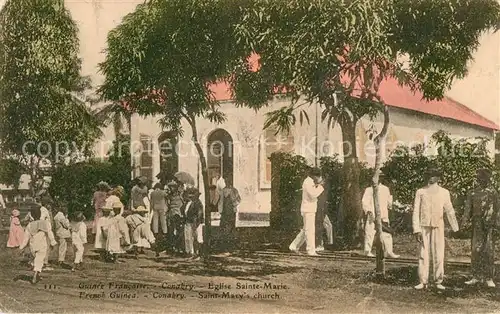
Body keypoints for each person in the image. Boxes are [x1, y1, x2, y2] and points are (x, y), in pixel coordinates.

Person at [413, 167, 459, 290]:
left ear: (438, 178)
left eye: (434, 175)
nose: (431, 178)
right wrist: (416, 229)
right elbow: (416, 211)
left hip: (438, 226)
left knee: (439, 253)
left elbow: (449, 210)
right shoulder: (420, 192)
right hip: (424, 226)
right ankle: (423, 281)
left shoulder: (444, 192)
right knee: (423, 253)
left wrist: (455, 228)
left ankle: (438, 281)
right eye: (429, 175)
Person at [461, 168, 500, 288]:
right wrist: (464, 222)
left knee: (488, 250)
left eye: (484, 179)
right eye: (480, 179)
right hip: (477, 224)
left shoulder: (493, 193)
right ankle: (475, 276)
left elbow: (498, 210)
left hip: (490, 224)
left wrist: (497, 224)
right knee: (476, 250)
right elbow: (468, 209)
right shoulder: (473, 193)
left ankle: (488, 277)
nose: (482, 181)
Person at [362, 172, 400, 258]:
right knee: (370, 232)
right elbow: (365, 202)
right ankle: (367, 251)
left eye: (380, 177)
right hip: (372, 214)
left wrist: (391, 204)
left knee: (387, 233)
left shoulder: (385, 189)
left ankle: (389, 252)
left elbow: (389, 202)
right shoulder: (369, 189)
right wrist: (368, 211)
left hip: (383, 214)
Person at [289, 167, 324, 256]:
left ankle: (293, 246)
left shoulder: (310, 182)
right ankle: (310, 250)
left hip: (310, 209)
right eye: (318, 176)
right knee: (310, 230)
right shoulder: (308, 182)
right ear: (314, 175)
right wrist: (320, 186)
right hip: (308, 209)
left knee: (306, 230)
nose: (318, 178)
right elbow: (313, 195)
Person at [19, 206, 57, 284]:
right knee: (40, 259)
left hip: (33, 245)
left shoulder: (30, 225)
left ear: (32, 215)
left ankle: (37, 273)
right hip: (42, 244)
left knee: (37, 259)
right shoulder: (44, 223)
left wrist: (21, 247)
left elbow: (26, 237)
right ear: (40, 214)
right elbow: (50, 233)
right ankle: (35, 275)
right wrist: (53, 242)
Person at [219, 178, 241, 255]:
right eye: (226, 181)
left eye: (228, 181)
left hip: (231, 212)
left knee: (231, 229)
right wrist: (220, 210)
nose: (227, 182)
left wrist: (234, 203)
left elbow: (239, 200)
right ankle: (224, 247)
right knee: (224, 229)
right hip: (224, 213)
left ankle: (230, 247)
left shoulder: (234, 190)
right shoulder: (222, 190)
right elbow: (220, 201)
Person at [182, 188, 204, 258]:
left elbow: (199, 213)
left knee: (196, 238)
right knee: (188, 238)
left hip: (194, 223)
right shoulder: (188, 203)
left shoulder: (198, 203)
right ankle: (189, 252)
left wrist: (196, 222)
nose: (190, 196)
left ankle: (196, 253)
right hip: (188, 221)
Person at [166, 181, 184, 254]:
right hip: (171, 214)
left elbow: (183, 203)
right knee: (171, 231)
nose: (171, 188)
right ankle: (172, 247)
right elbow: (168, 205)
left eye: (173, 187)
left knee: (178, 231)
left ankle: (178, 247)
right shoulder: (169, 196)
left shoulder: (180, 195)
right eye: (170, 187)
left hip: (178, 214)